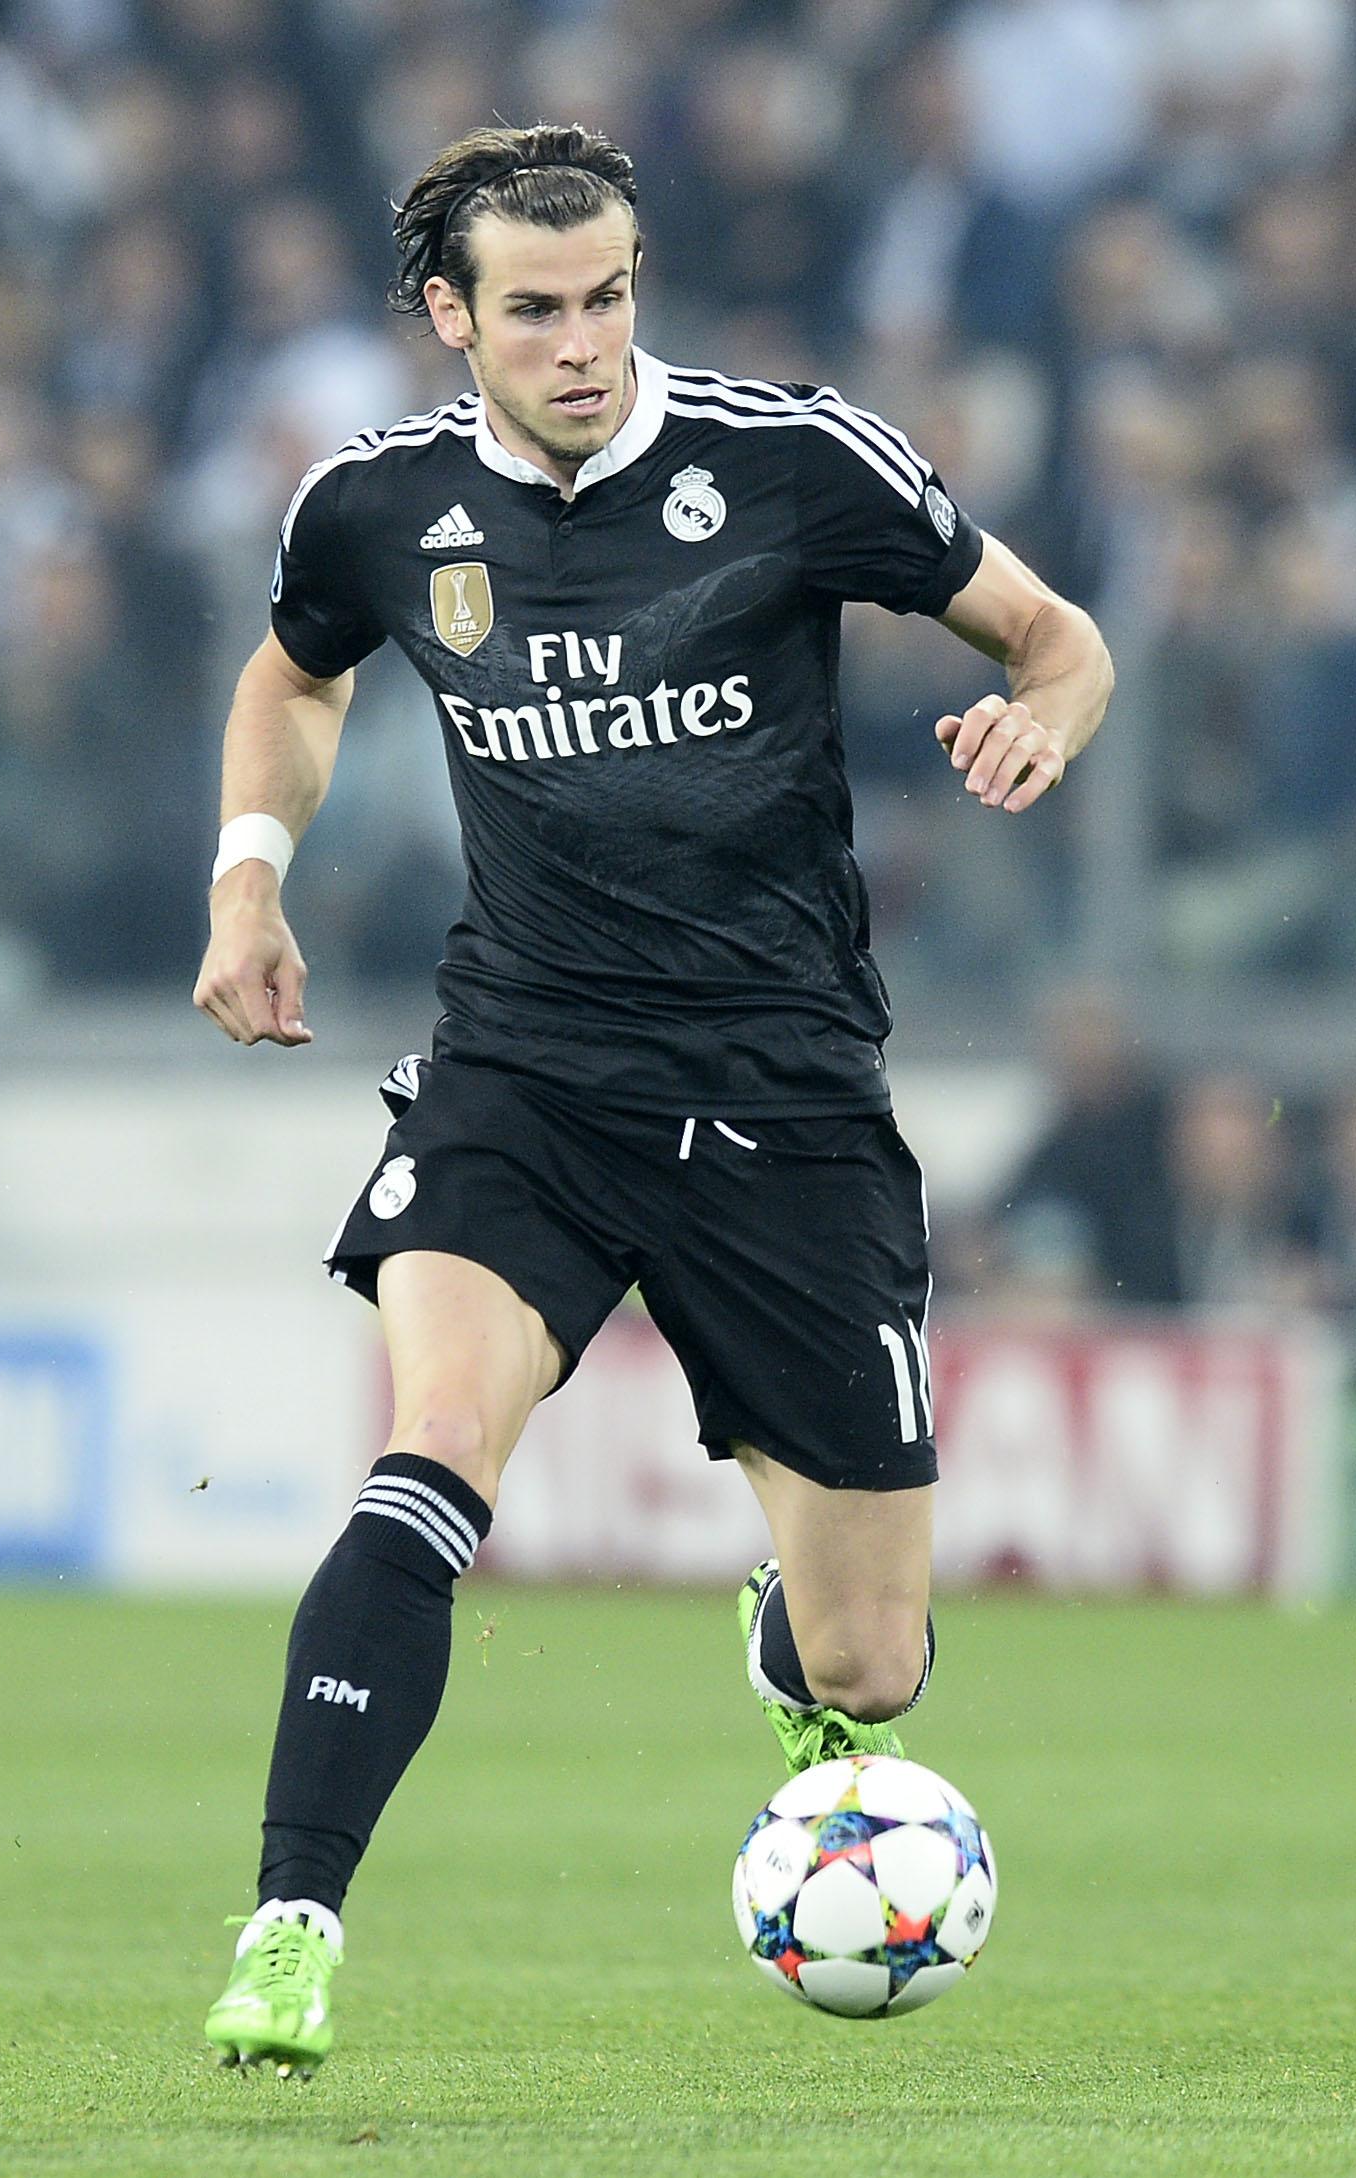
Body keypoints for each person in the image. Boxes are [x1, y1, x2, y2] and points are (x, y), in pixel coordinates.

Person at [192, 122, 1114, 2074]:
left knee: (873, 1662)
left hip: (785, 1094)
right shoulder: (374, 505)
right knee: (434, 1443)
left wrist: (1041, 717)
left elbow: (1060, 637)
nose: (585, 340)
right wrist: (248, 877)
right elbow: (294, 678)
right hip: (525, 1070)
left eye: (608, 295)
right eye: (536, 307)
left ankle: (792, 1640)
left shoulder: (793, 460)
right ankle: (290, 1924)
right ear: (450, 317)